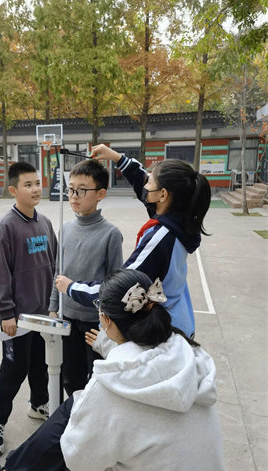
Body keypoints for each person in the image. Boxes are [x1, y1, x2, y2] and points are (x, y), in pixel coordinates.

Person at [0, 268, 231, 471]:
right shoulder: (190, 356)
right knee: (75, 409)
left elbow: (78, 459)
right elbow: (147, 363)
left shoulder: (111, 388)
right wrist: (111, 346)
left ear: (105, 320)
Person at [56, 144, 211, 338]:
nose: (145, 186)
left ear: (163, 194)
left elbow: (119, 289)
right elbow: (141, 180)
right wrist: (116, 157)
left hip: (165, 330)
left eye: (150, 183)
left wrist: (71, 287)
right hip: (179, 317)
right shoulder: (178, 219)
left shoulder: (160, 238)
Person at [0, 161, 57, 455]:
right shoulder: (5, 227)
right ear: (14, 190)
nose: (36, 189)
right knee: (13, 370)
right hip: (17, 318)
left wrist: (54, 305)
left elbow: (54, 267)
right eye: (28, 185)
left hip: (43, 314)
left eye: (37, 183)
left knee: (40, 363)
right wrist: (6, 314)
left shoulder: (45, 223)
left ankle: (39, 404)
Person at [48, 159, 123, 395]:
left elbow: (114, 283)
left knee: (96, 381)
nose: (74, 196)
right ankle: (73, 415)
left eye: (81, 190)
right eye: (70, 189)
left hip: (95, 324)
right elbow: (58, 271)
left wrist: (109, 323)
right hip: (67, 318)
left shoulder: (111, 234)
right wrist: (53, 307)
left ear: (101, 194)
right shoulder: (65, 228)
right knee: (70, 378)